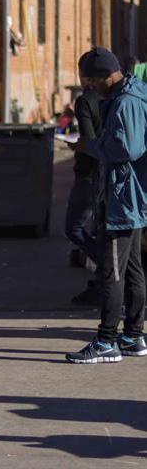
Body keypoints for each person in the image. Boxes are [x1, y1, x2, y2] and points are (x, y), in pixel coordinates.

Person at [66, 47, 147, 363]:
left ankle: (106, 340)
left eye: (91, 81)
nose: (90, 87)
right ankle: (133, 335)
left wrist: (90, 145)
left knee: (112, 271)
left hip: (121, 199)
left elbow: (126, 148)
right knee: (132, 269)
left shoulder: (126, 102)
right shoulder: (132, 95)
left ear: (104, 76)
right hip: (131, 197)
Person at [66, 80, 101, 305]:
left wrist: (79, 146)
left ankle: (109, 268)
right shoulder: (120, 98)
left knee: (74, 227)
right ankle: (108, 275)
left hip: (89, 173)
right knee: (102, 229)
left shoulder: (85, 101)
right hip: (111, 173)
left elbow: (89, 140)